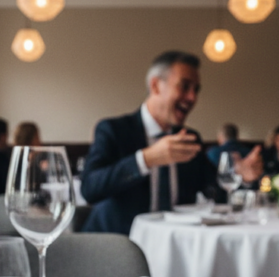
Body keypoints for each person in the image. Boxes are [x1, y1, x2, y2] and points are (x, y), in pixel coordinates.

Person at [80, 51, 262, 234]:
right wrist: (146, 159)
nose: (192, 98)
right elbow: (90, 189)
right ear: (156, 86)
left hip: (176, 245)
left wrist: (241, 176)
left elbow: (216, 191)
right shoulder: (113, 130)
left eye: (196, 89)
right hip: (117, 247)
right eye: (184, 86)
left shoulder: (189, 138)